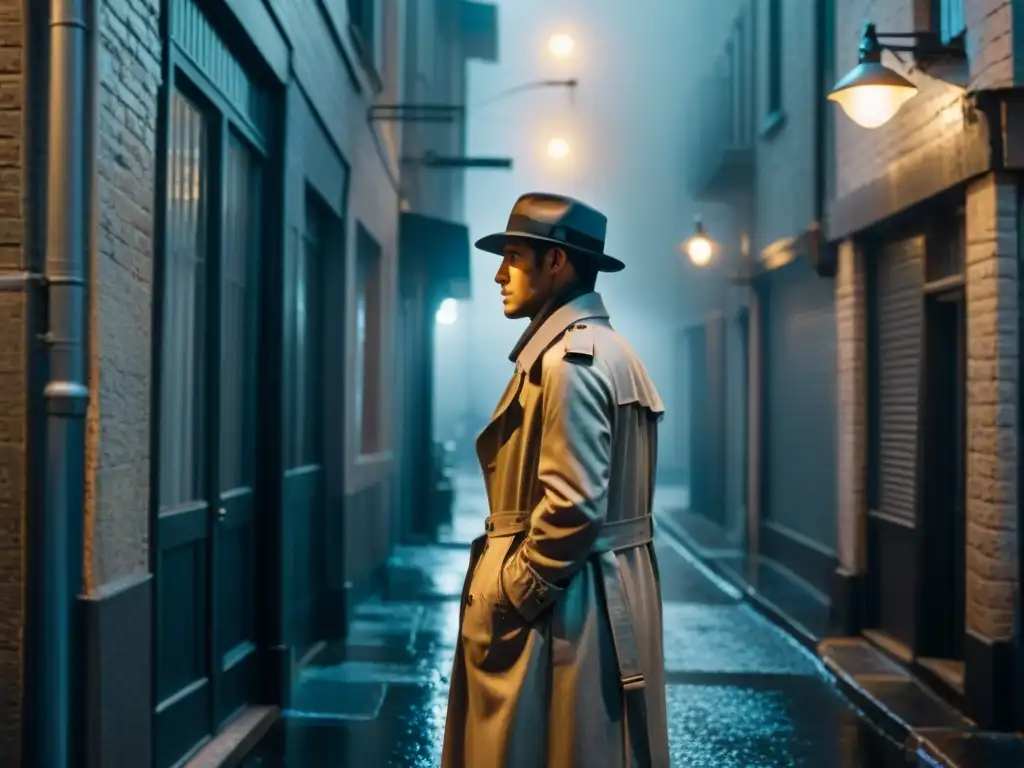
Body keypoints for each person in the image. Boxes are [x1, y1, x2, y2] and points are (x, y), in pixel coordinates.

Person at [442, 192, 670, 767]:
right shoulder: (609, 351)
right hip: (596, 593)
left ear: (555, 262)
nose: (499, 274)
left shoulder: (570, 361)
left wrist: (512, 594)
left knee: (547, 748)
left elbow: (572, 506)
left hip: (571, 610)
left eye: (514, 256)